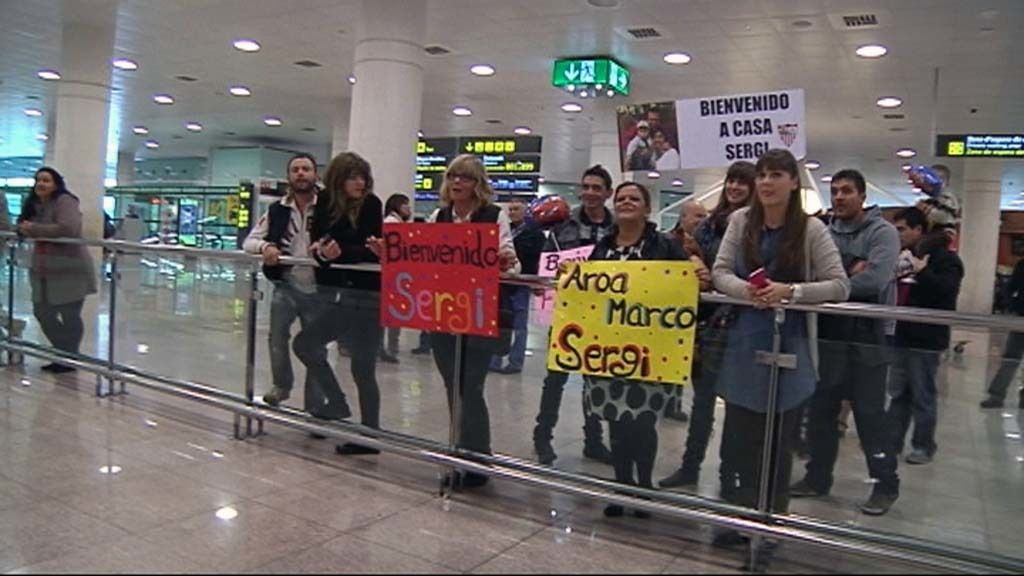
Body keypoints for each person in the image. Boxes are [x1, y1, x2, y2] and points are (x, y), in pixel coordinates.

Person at [710, 150, 849, 562]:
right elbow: (720, 272)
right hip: (743, 343)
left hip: (790, 348)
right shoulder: (740, 222)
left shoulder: (811, 231)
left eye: (776, 175)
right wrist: (746, 292)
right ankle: (738, 516)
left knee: (777, 444)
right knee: (737, 441)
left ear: (793, 182)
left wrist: (791, 293)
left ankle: (770, 522)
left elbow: (839, 285)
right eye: (762, 175)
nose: (766, 183)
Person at [582, 181, 709, 519]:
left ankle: (642, 485)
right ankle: (622, 485)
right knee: (616, 421)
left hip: (649, 351)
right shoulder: (602, 246)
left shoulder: (665, 245)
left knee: (642, 421)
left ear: (647, 208)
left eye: (634, 198)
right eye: (621, 198)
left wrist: (698, 271)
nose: (626, 202)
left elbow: (688, 281)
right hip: (607, 350)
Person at [791, 168, 902, 517]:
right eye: (835, 191)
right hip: (827, 336)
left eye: (847, 191)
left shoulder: (883, 232)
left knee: (870, 418)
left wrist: (831, 281)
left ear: (862, 196)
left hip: (868, 339)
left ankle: (885, 484)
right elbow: (806, 273)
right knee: (821, 413)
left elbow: (875, 279)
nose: (839, 197)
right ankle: (817, 478)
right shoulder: (821, 229)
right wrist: (848, 268)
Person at [660, 160, 756, 492]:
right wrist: (693, 263)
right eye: (731, 181)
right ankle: (690, 466)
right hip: (708, 324)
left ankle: (729, 477)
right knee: (701, 402)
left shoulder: (759, 227)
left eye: (743, 182)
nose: (735, 188)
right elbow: (684, 253)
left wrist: (715, 276)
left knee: (737, 407)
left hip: (743, 325)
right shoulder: (709, 226)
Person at [429, 154, 519, 489]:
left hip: (479, 314)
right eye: (452, 176)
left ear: (477, 183)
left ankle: (478, 459)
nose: (457, 183)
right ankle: (462, 455)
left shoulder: (494, 216)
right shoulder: (438, 216)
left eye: (464, 178)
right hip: (442, 314)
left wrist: (504, 262)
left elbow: (513, 264)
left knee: (470, 387)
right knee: (454, 387)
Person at [292, 152, 384, 456]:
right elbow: (318, 249)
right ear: (339, 179)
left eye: (363, 177)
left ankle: (370, 433)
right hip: (341, 295)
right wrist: (324, 253)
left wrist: (338, 252)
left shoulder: (371, 205)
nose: (360, 183)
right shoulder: (326, 206)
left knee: (363, 366)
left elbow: (373, 251)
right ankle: (338, 401)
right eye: (353, 177)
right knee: (304, 343)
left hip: (369, 296)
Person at [532, 165, 617, 466]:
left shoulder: (618, 229)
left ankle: (593, 441)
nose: (590, 193)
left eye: (597, 188)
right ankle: (542, 436)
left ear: (607, 192)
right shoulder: (562, 228)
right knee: (555, 378)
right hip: (566, 314)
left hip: (604, 317)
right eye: (586, 186)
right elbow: (546, 267)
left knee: (595, 381)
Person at [244, 153, 324, 413]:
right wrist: (266, 246)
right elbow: (249, 241)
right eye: (295, 169)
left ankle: (315, 403)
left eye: (306, 169)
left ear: (316, 175)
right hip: (287, 284)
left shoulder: (329, 206)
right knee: (277, 337)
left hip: (321, 289)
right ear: (288, 176)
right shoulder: (277, 209)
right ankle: (282, 385)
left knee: (315, 347)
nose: (301, 174)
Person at [889, 207, 964, 464]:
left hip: (927, 339)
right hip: (901, 333)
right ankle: (892, 442)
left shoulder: (946, 260)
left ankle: (923, 445)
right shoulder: (903, 256)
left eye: (902, 229)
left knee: (922, 394)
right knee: (899, 393)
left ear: (919, 229)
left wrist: (922, 272)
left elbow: (946, 292)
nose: (897, 235)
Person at [17, 167, 98, 373]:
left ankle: (67, 358)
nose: (41, 184)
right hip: (43, 270)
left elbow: (67, 228)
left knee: (70, 315)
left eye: (46, 180)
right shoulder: (35, 205)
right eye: (38, 180)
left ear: (56, 184)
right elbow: (22, 226)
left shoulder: (65, 201)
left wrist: (32, 228)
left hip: (70, 269)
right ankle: (65, 354)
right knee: (42, 312)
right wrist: (22, 228)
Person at [489, 199, 544, 375]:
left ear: (525, 211)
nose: (512, 212)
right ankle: (495, 359)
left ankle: (515, 362)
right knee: (500, 321)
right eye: (510, 209)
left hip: (522, 282)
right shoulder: (505, 230)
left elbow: (538, 258)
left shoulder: (535, 233)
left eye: (516, 209)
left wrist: (537, 282)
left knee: (520, 325)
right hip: (503, 282)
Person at [982, 256, 1024, 410]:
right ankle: (997, 395)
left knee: (1010, 358)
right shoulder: (1022, 265)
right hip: (1021, 318)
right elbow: (1011, 287)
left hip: (1019, 315)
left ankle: (998, 395)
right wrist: (1011, 306)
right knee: (1010, 358)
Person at [379, 193, 412, 364]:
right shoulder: (393, 224)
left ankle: (388, 347)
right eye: (406, 205)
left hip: (394, 275)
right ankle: (389, 349)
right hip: (393, 276)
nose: (409, 208)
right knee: (392, 315)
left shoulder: (395, 223)